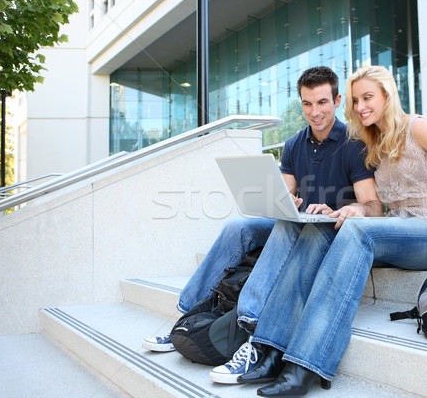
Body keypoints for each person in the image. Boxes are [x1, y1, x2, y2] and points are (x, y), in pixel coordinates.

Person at [229, 65, 427, 397]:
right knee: (322, 230)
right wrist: (350, 209)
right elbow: (377, 205)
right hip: (398, 231)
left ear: (387, 94)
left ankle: (305, 365)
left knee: (358, 233)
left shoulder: (418, 128)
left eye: (368, 97)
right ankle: (271, 350)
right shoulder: (370, 142)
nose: (360, 107)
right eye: (356, 100)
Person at [142, 66, 377, 362]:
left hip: (327, 230)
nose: (314, 112)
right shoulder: (293, 145)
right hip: (296, 223)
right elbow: (286, 195)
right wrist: (282, 200)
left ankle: (249, 321)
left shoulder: (354, 144)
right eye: (306, 103)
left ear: (338, 100)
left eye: (322, 102)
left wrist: (344, 209)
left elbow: (373, 206)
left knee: (285, 228)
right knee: (237, 228)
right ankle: (187, 316)